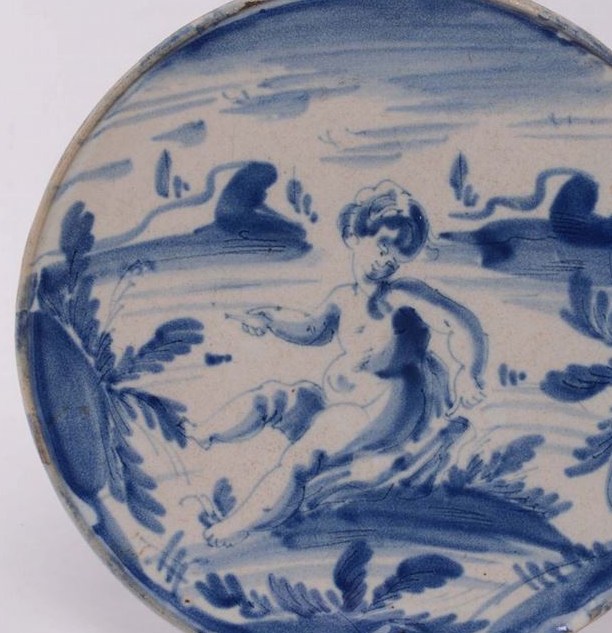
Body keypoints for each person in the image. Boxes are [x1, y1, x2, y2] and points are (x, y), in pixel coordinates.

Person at [199, 180, 488, 546]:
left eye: (398, 255)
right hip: (344, 406)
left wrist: (468, 373)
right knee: (277, 397)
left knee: (301, 456)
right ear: (354, 235)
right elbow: (312, 330)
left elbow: (462, 325)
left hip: (378, 415)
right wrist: (269, 320)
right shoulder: (342, 299)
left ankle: (236, 526)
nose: (387, 260)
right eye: (383, 246)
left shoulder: (404, 295)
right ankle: (200, 433)